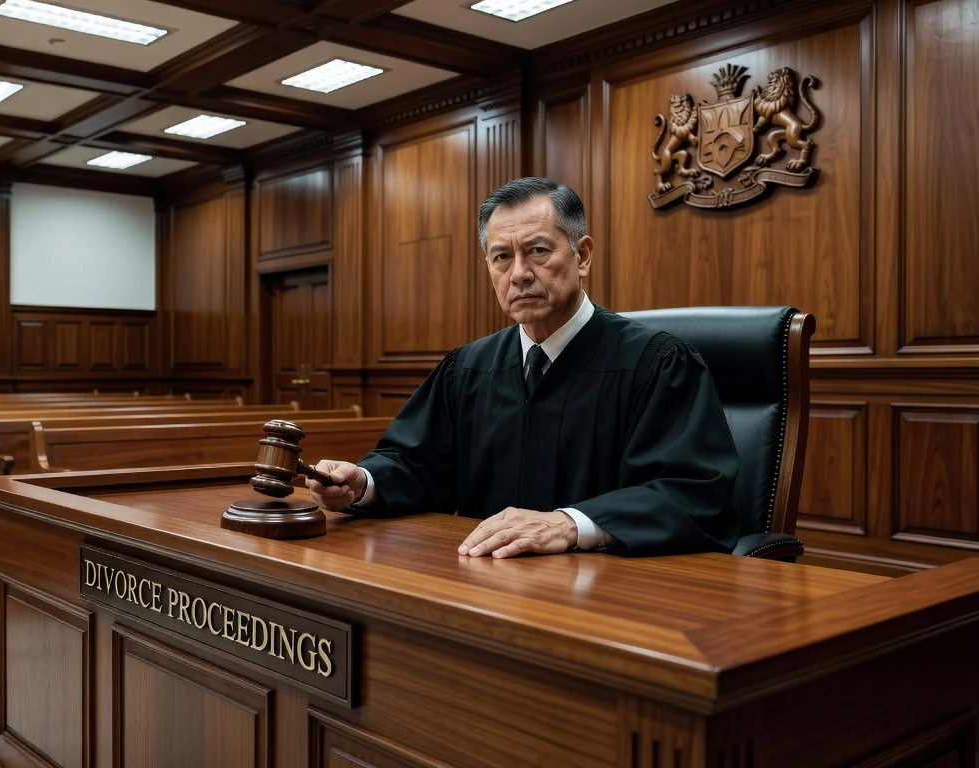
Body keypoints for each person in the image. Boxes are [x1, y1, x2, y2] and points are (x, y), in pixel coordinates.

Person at [307, 178, 739, 558]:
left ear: (582, 255)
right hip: (485, 583)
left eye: (537, 251)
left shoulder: (657, 363)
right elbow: (417, 465)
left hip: (609, 597)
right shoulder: (468, 369)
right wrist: (363, 483)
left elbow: (692, 491)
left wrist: (571, 525)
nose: (519, 274)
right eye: (501, 258)